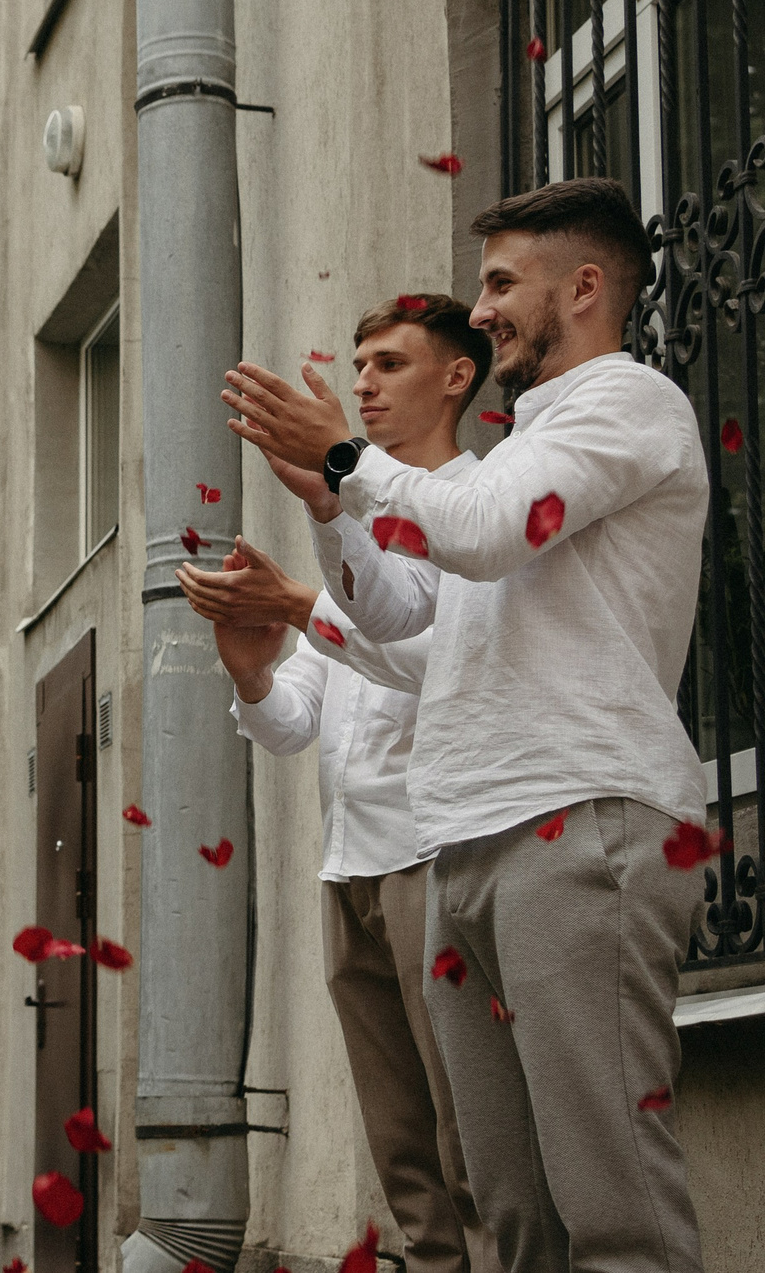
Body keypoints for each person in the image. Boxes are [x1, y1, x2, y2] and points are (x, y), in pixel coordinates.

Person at [222, 179, 709, 1273]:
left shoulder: (628, 403)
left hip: (579, 817)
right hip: (468, 839)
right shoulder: (521, 447)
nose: (479, 309)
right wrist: (324, 503)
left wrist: (352, 464)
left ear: (583, 287)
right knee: (511, 1205)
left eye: (499, 282)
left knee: (611, 1198)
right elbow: (406, 632)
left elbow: (484, 532)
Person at [178, 294, 496, 1273]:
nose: (360, 382)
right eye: (356, 363)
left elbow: (418, 646)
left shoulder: (476, 508)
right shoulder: (360, 518)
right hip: (347, 865)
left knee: (467, 1128)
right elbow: (290, 722)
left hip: (434, 853)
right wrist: (246, 665)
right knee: (399, 1143)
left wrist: (312, 557)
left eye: (388, 363)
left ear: (456, 376)